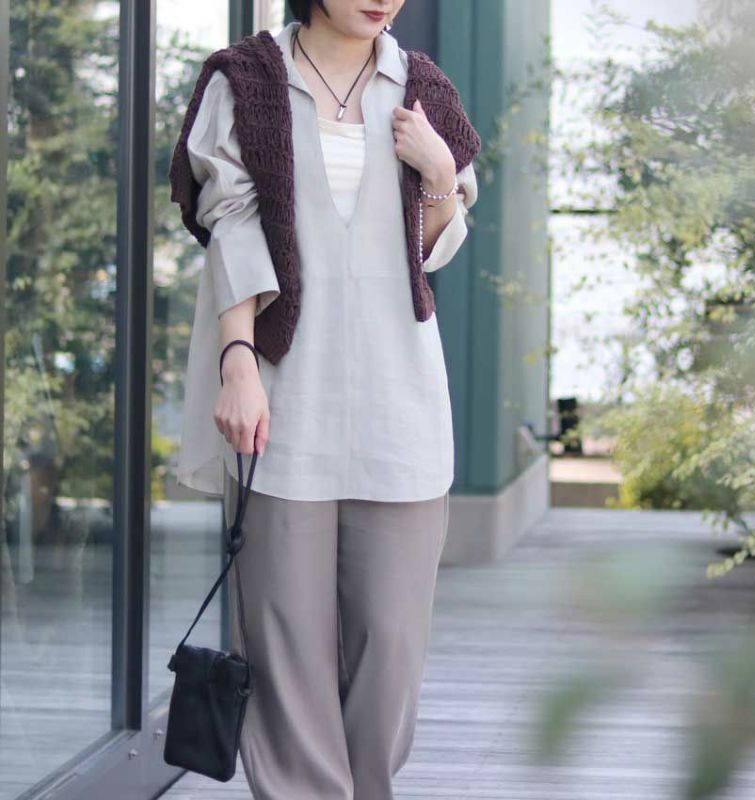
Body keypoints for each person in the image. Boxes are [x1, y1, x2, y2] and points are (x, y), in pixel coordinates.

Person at [177, 1, 479, 797]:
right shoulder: (247, 79)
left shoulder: (422, 87)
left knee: (392, 645)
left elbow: (429, 251)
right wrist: (237, 362)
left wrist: (439, 176)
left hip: (399, 401)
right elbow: (231, 222)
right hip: (286, 399)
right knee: (284, 651)